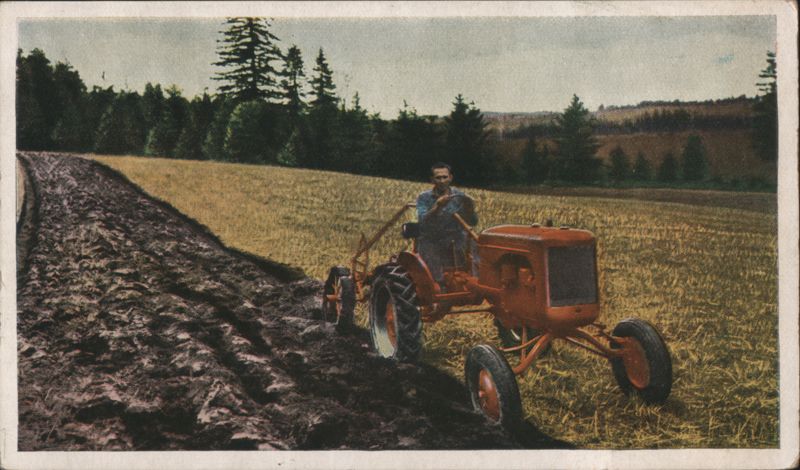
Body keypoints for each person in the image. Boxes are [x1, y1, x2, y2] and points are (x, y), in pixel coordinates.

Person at [416, 162, 478, 286]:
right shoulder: (424, 198)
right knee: (429, 252)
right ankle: (438, 284)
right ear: (432, 179)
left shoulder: (460, 196)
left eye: (445, 177)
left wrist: (470, 209)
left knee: (477, 245)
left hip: (455, 236)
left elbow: (473, 222)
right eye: (438, 178)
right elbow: (422, 221)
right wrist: (437, 206)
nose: (442, 181)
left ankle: (476, 281)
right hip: (432, 237)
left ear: (450, 178)